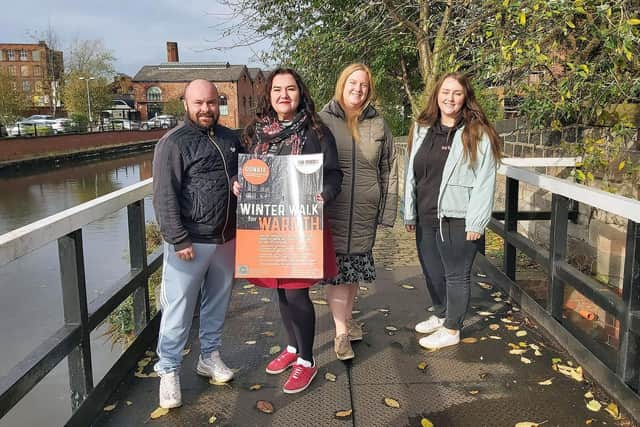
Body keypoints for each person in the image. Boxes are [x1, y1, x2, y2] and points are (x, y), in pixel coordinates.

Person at [241, 68, 343, 394]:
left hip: (302, 225)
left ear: (300, 93)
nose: (283, 95)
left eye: (290, 89)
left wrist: (323, 194)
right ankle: (292, 347)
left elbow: (334, 175)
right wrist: (237, 183)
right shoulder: (258, 132)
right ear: (268, 95)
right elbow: (247, 170)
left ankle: (307, 361)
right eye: (277, 90)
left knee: (297, 292)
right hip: (269, 224)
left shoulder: (317, 131)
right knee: (280, 290)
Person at [152, 79, 242, 408]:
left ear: (218, 103)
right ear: (186, 105)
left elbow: (243, 174)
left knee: (217, 302)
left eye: (211, 102)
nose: (206, 109)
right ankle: (169, 369)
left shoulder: (231, 138)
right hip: (190, 240)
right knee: (178, 307)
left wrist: (237, 183)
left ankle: (210, 355)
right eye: (199, 103)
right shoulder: (173, 143)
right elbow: (164, 194)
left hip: (226, 237)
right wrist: (177, 238)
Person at [403, 72, 501, 350]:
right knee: (432, 271)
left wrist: (476, 221)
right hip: (426, 216)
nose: (450, 98)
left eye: (457, 93)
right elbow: (411, 172)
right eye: (445, 92)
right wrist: (409, 211)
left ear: (465, 97)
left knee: (456, 274)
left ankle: (452, 328)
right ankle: (441, 313)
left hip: (458, 217)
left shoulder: (478, 133)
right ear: (436, 95)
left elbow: (486, 181)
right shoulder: (422, 128)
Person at [319, 63, 398, 360]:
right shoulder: (322, 120)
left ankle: (348, 319)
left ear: (370, 89)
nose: (358, 88)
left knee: (353, 271)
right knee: (337, 272)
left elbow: (389, 168)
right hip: (334, 207)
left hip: (365, 210)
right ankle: (340, 333)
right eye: (353, 82)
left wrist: (387, 210)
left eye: (364, 84)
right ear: (342, 84)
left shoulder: (379, 124)